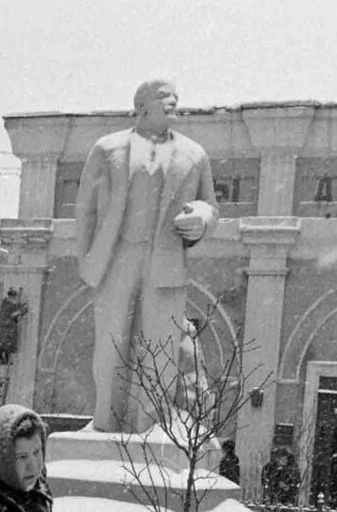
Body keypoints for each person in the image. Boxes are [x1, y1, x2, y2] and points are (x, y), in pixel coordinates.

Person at [76, 79, 218, 433]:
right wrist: (87, 260)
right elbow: (85, 210)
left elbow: (211, 206)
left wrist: (201, 218)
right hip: (118, 256)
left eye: (175, 97)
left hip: (166, 263)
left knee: (161, 345)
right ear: (141, 105)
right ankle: (106, 420)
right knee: (112, 341)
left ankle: (148, 424)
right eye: (162, 97)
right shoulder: (108, 148)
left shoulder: (194, 155)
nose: (172, 102)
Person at [0, 289, 28, 366]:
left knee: (3, 345)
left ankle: (3, 359)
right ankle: (4, 359)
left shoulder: (5, 303)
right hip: (8, 329)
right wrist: (23, 308)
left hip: (3, 329)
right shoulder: (11, 305)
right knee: (7, 345)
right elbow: (17, 312)